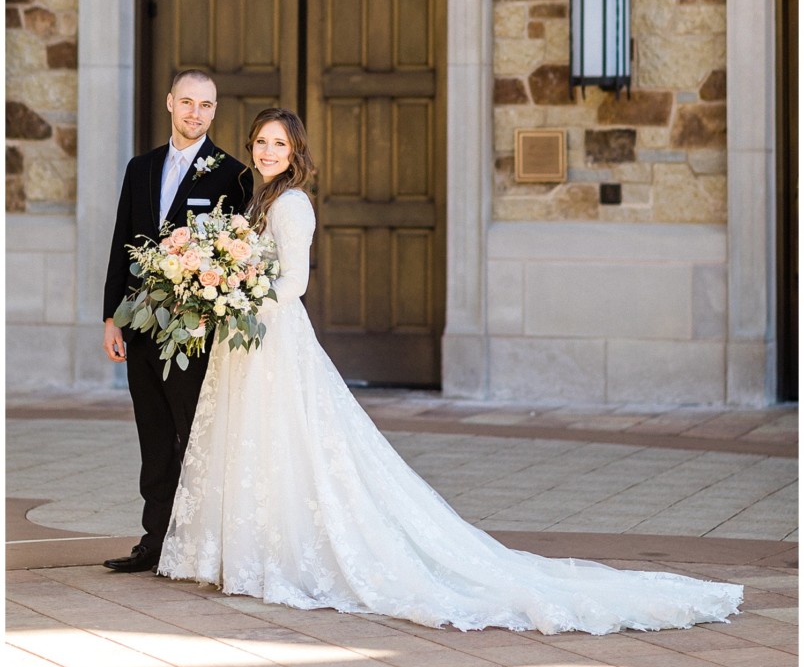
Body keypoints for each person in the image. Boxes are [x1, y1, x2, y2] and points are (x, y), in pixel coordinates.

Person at [158, 107, 743, 634]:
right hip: (248, 341)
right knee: (260, 445)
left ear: (296, 153)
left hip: (274, 336)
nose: (266, 153)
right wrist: (225, 291)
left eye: (278, 145)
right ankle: (252, 552)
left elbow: (296, 283)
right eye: (260, 142)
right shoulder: (258, 200)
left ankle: (283, 556)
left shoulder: (292, 204)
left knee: (295, 446)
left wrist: (240, 297)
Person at [102, 69, 253, 573]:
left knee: (192, 436)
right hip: (141, 329)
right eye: (186, 102)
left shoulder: (232, 175)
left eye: (205, 105)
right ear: (169, 102)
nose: (195, 113)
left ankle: (200, 544)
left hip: (192, 335)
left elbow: (238, 259)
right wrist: (111, 317)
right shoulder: (139, 168)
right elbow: (121, 245)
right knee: (153, 436)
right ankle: (153, 541)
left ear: (215, 110)